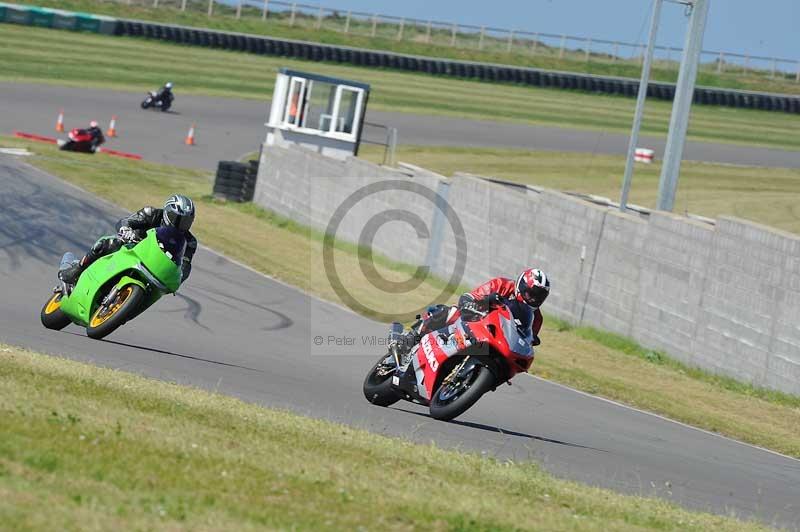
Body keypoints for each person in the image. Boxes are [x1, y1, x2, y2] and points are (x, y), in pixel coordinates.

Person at [396, 268, 551, 363]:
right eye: (531, 293)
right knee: (452, 312)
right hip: (476, 321)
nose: (533, 299)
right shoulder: (502, 285)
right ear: (521, 286)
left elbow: (528, 339)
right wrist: (475, 304)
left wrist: (531, 342)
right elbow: (471, 297)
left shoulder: (536, 318)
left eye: (538, 296)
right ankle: (410, 338)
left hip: (495, 341)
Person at [59, 195, 197, 285]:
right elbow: (126, 221)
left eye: (185, 221)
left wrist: (179, 278)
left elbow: (185, 264)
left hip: (156, 266)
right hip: (132, 247)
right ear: (167, 213)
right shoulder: (151, 214)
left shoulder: (189, 242)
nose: (180, 224)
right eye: (177, 218)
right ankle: (76, 270)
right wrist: (127, 230)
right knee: (108, 243)